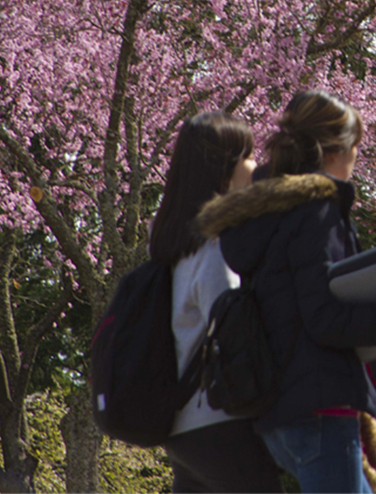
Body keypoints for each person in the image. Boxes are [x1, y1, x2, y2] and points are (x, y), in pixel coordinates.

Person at [194, 89, 376, 493]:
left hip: (279, 411)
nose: (356, 159)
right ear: (336, 150)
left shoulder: (263, 214)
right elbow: (328, 321)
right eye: (356, 147)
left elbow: (301, 318)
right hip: (321, 411)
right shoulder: (317, 210)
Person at [148, 111, 283, 493]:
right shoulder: (213, 247)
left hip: (180, 429)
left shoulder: (169, 244)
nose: (255, 165)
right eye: (248, 155)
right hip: (216, 421)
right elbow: (232, 331)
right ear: (224, 170)